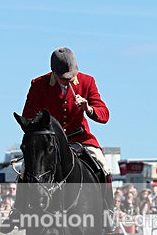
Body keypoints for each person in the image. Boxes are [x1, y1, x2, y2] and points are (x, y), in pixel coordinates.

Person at [22, 47, 110, 175]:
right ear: (53, 72)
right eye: (64, 78)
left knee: (104, 167)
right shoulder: (38, 84)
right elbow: (27, 118)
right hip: (49, 142)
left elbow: (104, 115)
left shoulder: (87, 81)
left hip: (80, 139)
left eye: (72, 75)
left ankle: (107, 196)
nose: (69, 80)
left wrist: (88, 108)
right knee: (25, 170)